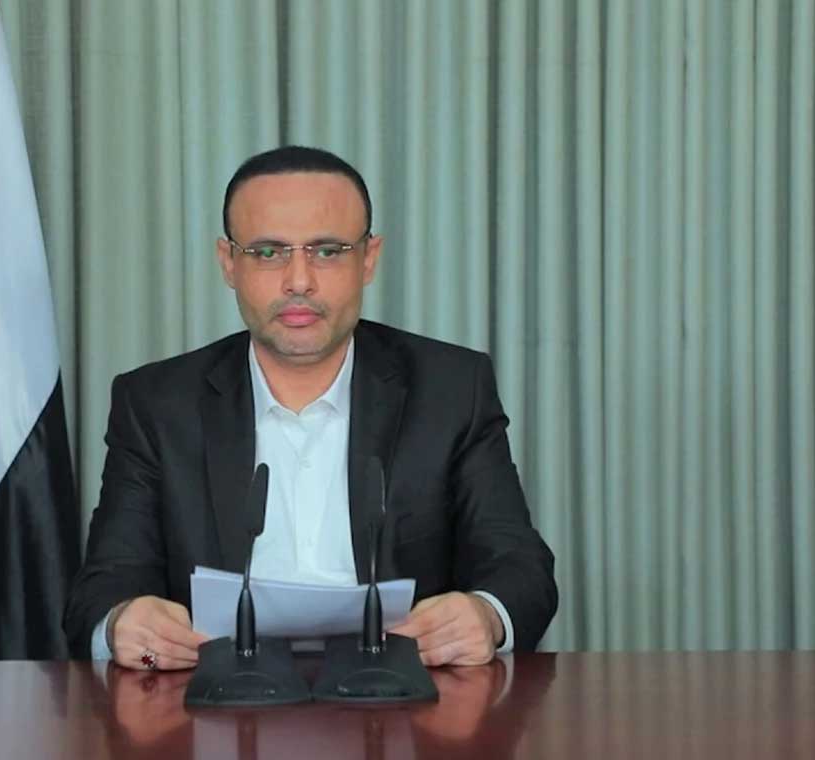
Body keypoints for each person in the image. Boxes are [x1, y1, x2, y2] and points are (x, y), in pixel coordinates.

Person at [64, 146, 557, 670]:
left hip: (402, 691)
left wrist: (486, 615)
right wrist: (122, 621)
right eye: (268, 252)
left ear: (369, 259)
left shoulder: (451, 388)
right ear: (228, 262)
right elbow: (104, 585)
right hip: (217, 693)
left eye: (327, 251)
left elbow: (519, 565)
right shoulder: (157, 404)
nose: (299, 281)